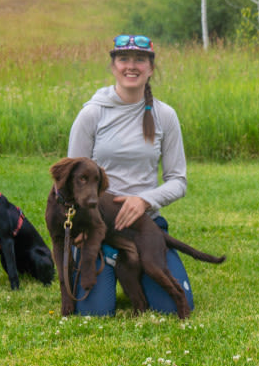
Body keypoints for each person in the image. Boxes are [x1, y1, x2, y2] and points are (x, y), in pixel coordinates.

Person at [68, 35, 186, 233]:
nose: (131, 66)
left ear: (151, 68)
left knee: (168, 267)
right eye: (123, 59)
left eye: (139, 59)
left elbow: (178, 181)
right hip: (97, 224)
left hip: (146, 223)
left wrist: (144, 201)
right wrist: (80, 228)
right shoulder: (92, 113)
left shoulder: (165, 115)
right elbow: (71, 179)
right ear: (113, 67)